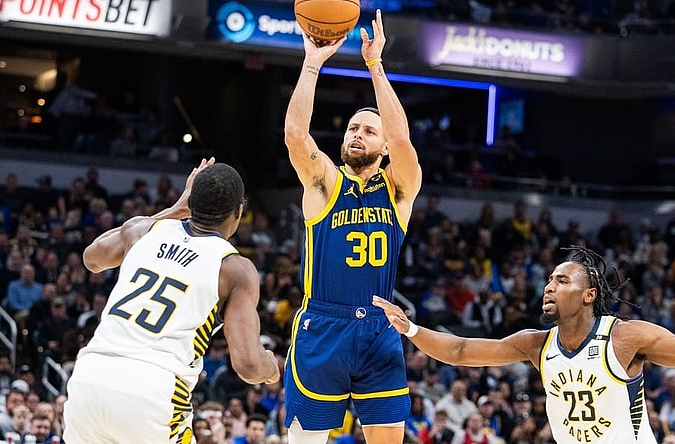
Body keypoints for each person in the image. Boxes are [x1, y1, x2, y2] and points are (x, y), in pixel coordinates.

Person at [374, 245, 675, 444]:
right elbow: (460, 351)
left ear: (588, 295)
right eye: (549, 279)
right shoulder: (536, 344)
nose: (549, 286)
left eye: (562, 281)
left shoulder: (624, 337)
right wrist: (411, 330)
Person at [63, 158, 280, 444]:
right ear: (238, 212)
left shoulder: (143, 230)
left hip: (90, 377)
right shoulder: (234, 268)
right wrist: (272, 366)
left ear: (190, 201)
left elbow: (92, 258)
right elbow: (249, 366)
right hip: (153, 388)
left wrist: (174, 209)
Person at [281, 8, 422, 444]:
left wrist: (375, 65)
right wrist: (311, 63)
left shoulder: (399, 189)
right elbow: (295, 135)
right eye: (352, 128)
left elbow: (402, 140)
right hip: (322, 325)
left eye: (368, 130)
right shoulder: (325, 182)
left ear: (382, 147)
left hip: (379, 329)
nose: (357, 134)